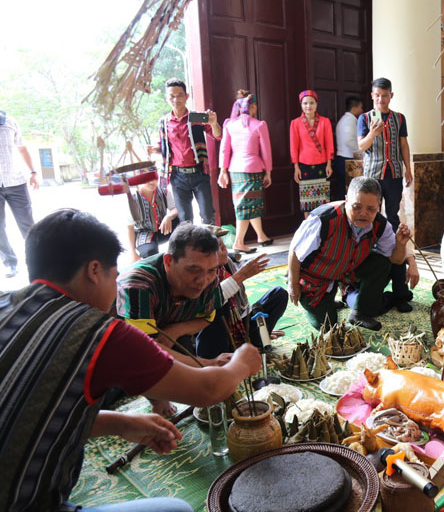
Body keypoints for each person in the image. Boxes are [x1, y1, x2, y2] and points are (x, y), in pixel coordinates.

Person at [0, 209, 260, 512]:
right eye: (114, 273)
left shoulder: (7, 303)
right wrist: (241, 361)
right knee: (176, 510)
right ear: (94, 271)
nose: (116, 287)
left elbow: (31, 413)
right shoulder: (97, 331)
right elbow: (207, 391)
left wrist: (120, 423)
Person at [117, 223, 241, 415]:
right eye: (193, 270)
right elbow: (146, 350)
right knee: (117, 384)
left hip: (167, 324)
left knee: (181, 346)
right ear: (168, 262)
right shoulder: (139, 284)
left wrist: (176, 330)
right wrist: (208, 364)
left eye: (211, 270)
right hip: (121, 340)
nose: (203, 280)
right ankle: (156, 399)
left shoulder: (210, 278)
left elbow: (207, 318)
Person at [288, 176, 412, 331]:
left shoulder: (381, 224)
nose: (363, 214)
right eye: (356, 207)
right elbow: (295, 251)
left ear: (379, 206)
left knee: (381, 262)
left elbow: (395, 260)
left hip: (345, 270)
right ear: (346, 200)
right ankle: (327, 299)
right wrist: (293, 285)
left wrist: (400, 244)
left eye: (371, 209)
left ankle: (360, 312)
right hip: (315, 279)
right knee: (328, 327)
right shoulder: (323, 219)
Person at [357, 78, 416, 312]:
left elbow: (403, 145)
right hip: (372, 178)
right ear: (372, 96)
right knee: (370, 222)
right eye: (377, 95)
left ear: (391, 95)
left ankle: (400, 292)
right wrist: (372, 133)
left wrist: (408, 168)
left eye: (385, 95)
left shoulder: (399, 118)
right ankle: (372, 282)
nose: (381, 99)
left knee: (392, 221)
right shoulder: (364, 119)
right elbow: (362, 146)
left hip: (393, 176)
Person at [195, 225, 288, 359]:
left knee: (278, 294)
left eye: (223, 245)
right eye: (218, 247)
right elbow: (210, 301)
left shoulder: (227, 264)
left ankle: (255, 340)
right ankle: (226, 354)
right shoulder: (199, 274)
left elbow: (242, 303)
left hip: (238, 325)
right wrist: (241, 276)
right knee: (219, 310)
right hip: (215, 335)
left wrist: (260, 327)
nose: (225, 249)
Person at [147, 78, 221, 225]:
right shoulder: (164, 121)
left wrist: (214, 123)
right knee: (185, 219)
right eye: (171, 96)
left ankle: (213, 247)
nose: (176, 99)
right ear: (166, 98)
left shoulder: (197, 117)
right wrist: (154, 149)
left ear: (186, 96)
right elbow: (164, 146)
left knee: (207, 215)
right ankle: (190, 248)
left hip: (200, 173)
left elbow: (218, 136)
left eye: (179, 95)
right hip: (177, 176)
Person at [218, 92, 274, 253]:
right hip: (252, 169)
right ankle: (238, 242)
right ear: (253, 106)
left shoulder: (229, 124)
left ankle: (261, 236)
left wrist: (223, 171)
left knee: (249, 204)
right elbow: (266, 151)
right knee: (246, 206)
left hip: (235, 170)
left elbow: (224, 150)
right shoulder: (259, 125)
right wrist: (268, 172)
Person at [0, 110, 39, 278]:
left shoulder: (10, 122)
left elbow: (22, 149)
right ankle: (10, 263)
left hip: (16, 181)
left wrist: (33, 172)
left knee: (28, 225)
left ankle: (37, 261)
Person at [291, 90, 334, 216]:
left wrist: (329, 164)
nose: (308, 106)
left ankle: (322, 230)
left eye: (311, 103)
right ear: (301, 105)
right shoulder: (295, 123)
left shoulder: (325, 121)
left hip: (322, 165)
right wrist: (296, 167)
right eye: (305, 103)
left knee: (323, 201)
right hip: (304, 165)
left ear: (316, 104)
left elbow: (329, 144)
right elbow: (294, 147)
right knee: (307, 203)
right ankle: (309, 229)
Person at [127, 171, 179, 262]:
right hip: (144, 234)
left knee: (183, 221)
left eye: (154, 178)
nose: (152, 182)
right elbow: (130, 227)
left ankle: (178, 257)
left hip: (163, 228)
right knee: (151, 254)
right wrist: (133, 253)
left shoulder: (163, 190)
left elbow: (175, 208)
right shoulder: (133, 199)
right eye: (147, 179)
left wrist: (168, 217)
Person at [333, 96, 364, 201]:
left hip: (342, 159)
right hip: (346, 160)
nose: (361, 110)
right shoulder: (349, 121)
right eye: (360, 107)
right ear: (354, 108)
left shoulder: (346, 120)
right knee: (346, 193)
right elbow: (349, 141)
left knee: (344, 191)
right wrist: (362, 151)